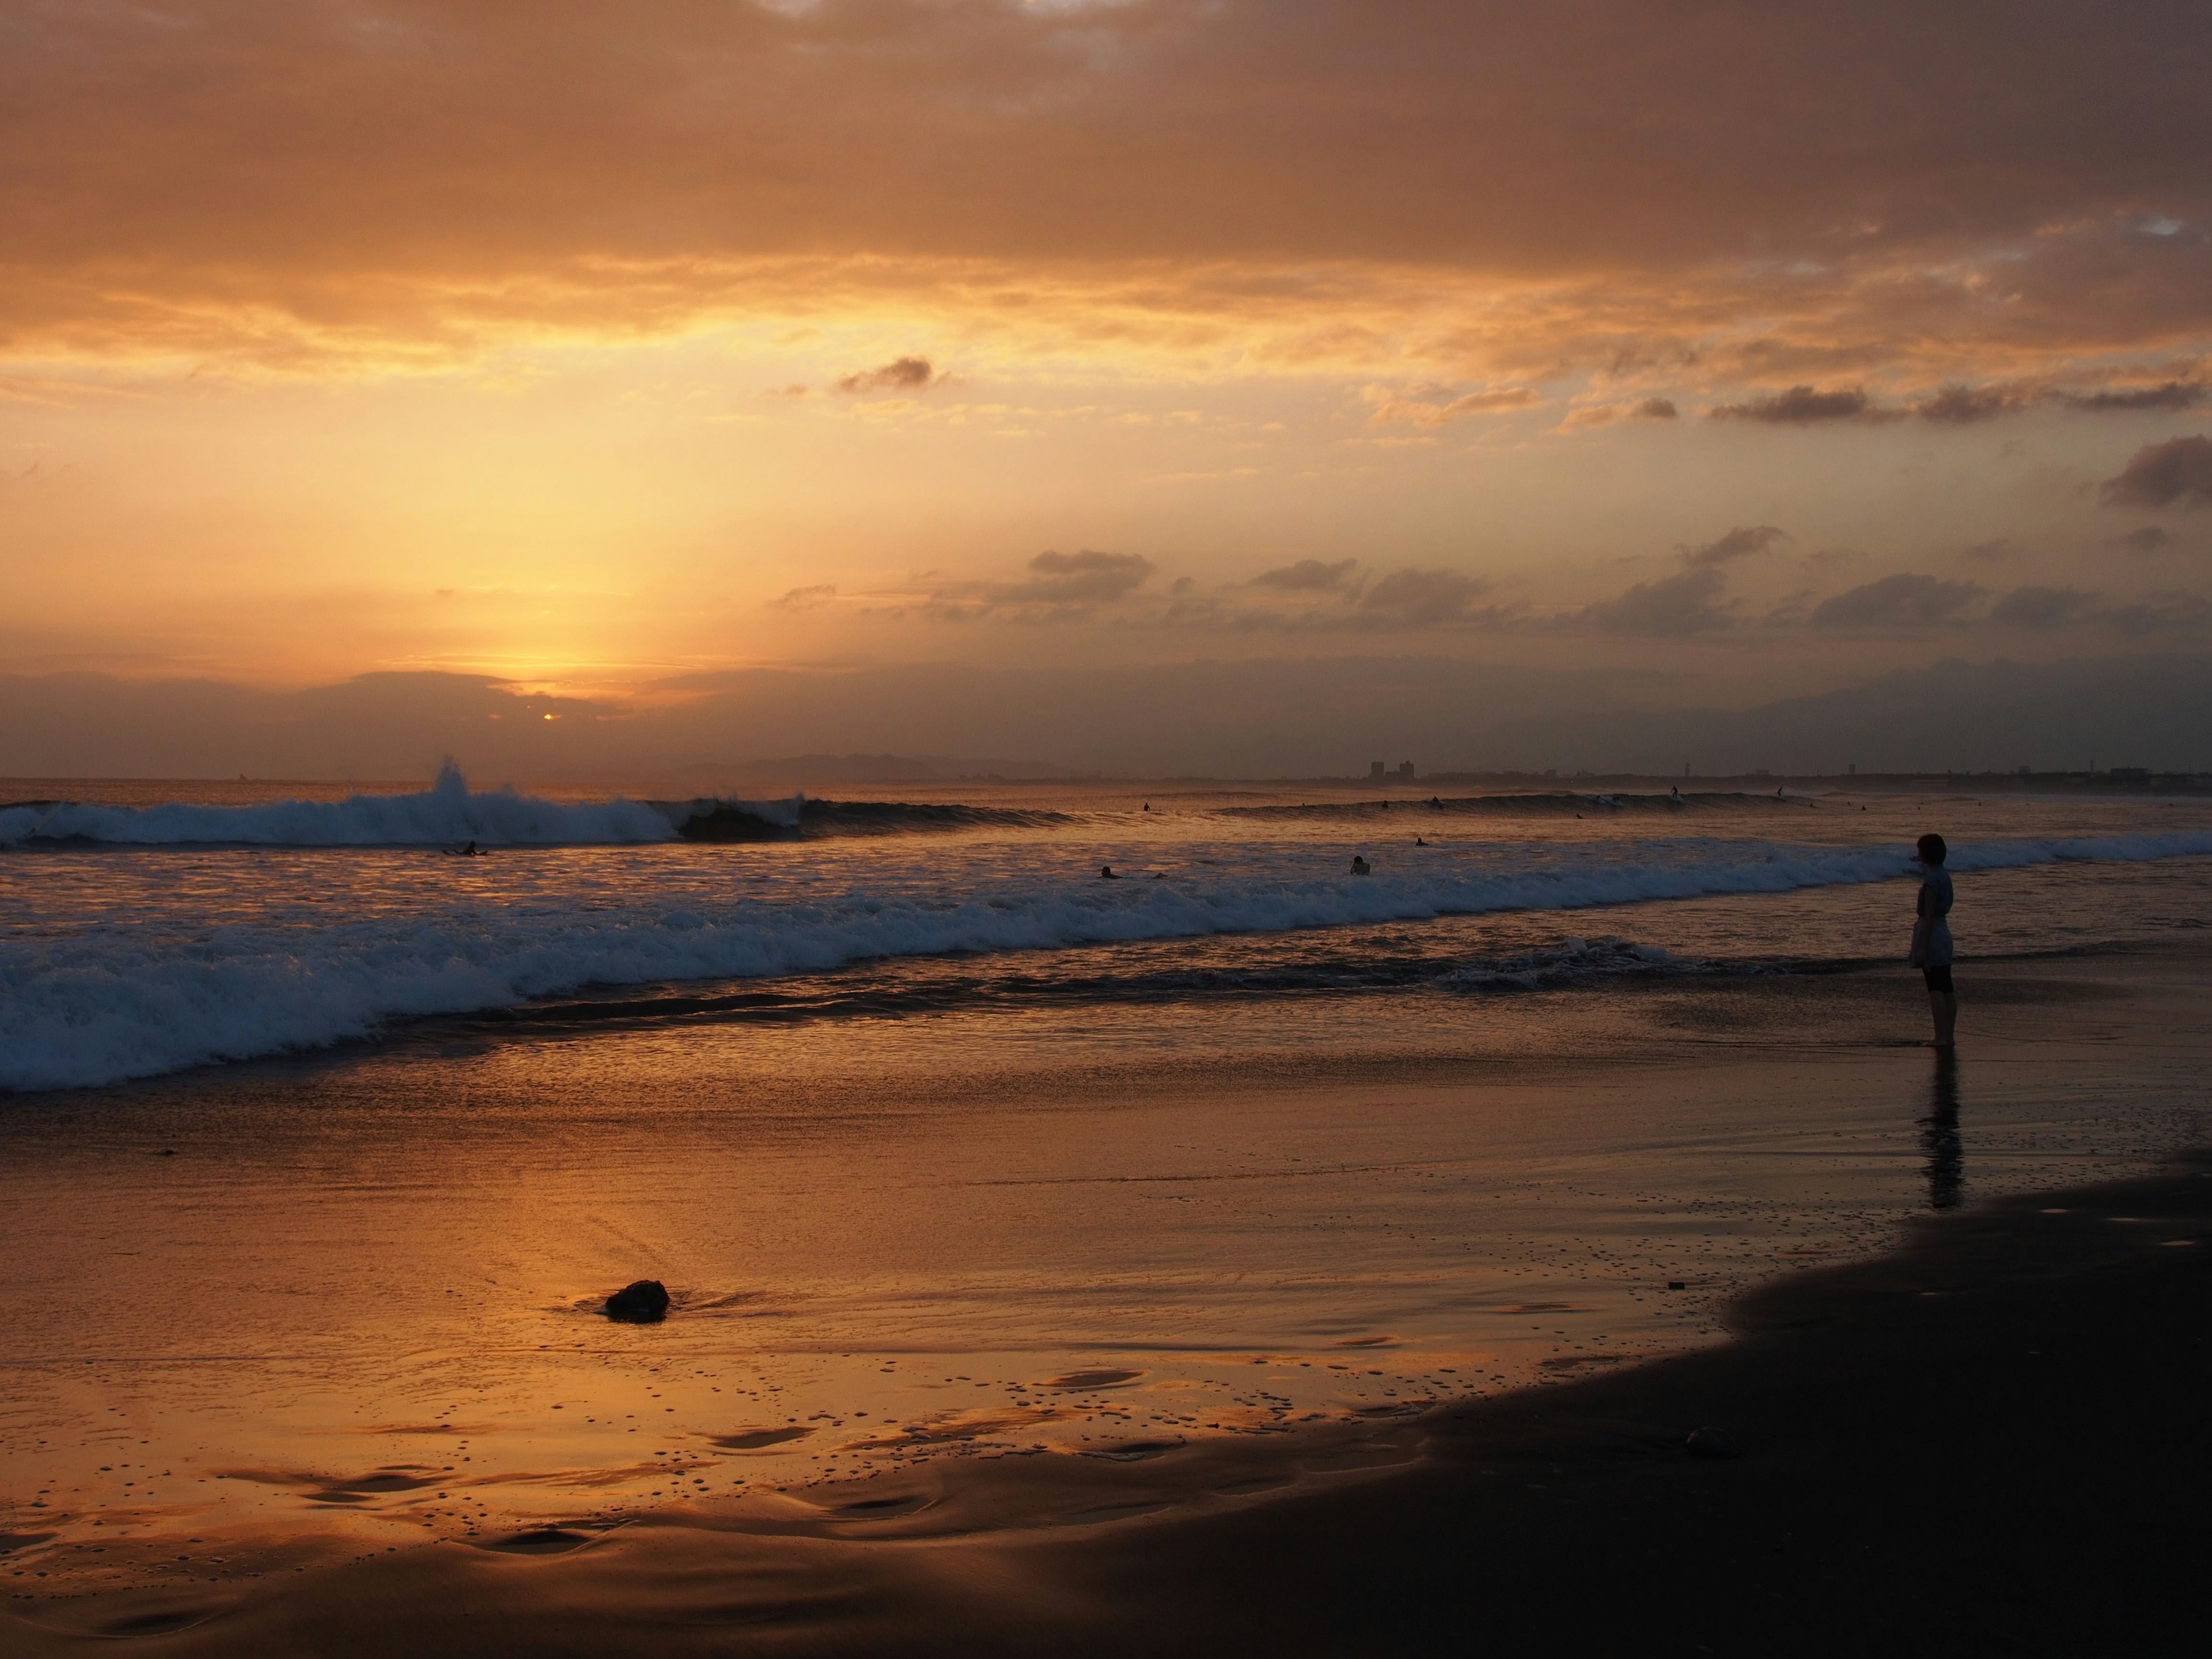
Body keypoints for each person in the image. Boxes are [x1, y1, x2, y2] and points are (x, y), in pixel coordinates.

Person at [1908, 832, 1957, 1048]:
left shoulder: (1931, 881)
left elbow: (1928, 916)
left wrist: (1922, 948)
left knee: (1935, 987)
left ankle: (1940, 1037)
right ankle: (1949, 1036)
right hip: (1944, 930)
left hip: (1933, 932)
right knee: (1946, 985)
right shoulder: (1944, 876)